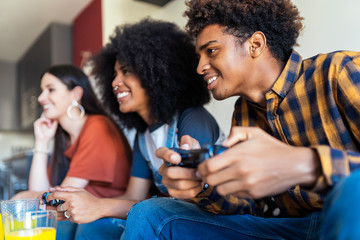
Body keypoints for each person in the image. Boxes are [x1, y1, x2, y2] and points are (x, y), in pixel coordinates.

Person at [122, 0, 360, 239]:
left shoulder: (339, 72)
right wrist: (203, 184)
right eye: (199, 56)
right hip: (291, 229)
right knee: (150, 215)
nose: (200, 67)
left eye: (211, 51)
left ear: (255, 45)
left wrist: (307, 165)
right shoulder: (243, 114)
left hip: (346, 217)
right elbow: (251, 207)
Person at [46, 18, 224, 240]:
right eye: (114, 74)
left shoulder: (191, 118)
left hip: (205, 222)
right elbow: (133, 195)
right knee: (88, 226)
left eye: (126, 71)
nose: (114, 83)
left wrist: (100, 206)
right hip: (163, 217)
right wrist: (87, 201)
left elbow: (190, 203)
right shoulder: (143, 137)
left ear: (156, 72)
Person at [12, 64, 132, 240]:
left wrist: (23, 198)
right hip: (81, 220)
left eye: (50, 89)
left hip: (111, 221)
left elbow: (58, 199)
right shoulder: (66, 139)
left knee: (21, 205)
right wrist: (42, 142)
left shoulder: (97, 126)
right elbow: (42, 195)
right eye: (42, 90)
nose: (40, 98)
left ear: (76, 94)